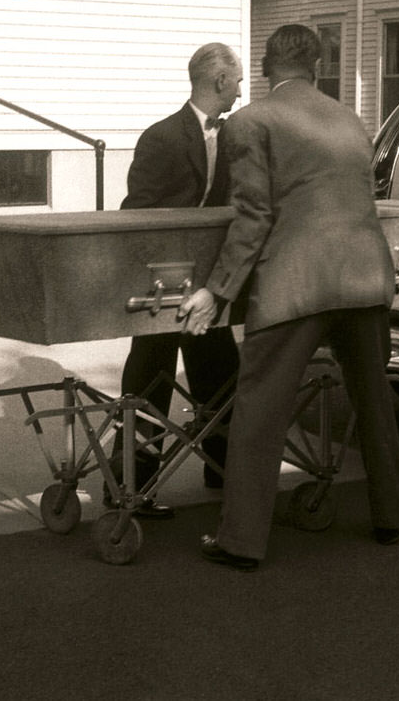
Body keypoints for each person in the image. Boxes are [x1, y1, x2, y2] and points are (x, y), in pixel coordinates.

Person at [179, 24, 399, 570]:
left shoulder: (252, 121)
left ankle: (240, 542)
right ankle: (390, 517)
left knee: (259, 413)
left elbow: (254, 216)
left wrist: (217, 288)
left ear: (264, 66)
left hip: (298, 282)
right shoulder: (351, 120)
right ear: (319, 67)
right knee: (375, 402)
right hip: (364, 279)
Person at [112, 42, 243, 519]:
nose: (241, 90)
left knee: (223, 376)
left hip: (208, 284)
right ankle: (129, 485)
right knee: (150, 380)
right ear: (219, 81)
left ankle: (224, 470)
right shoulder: (161, 137)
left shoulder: (233, 137)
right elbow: (136, 213)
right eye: (238, 81)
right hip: (160, 285)